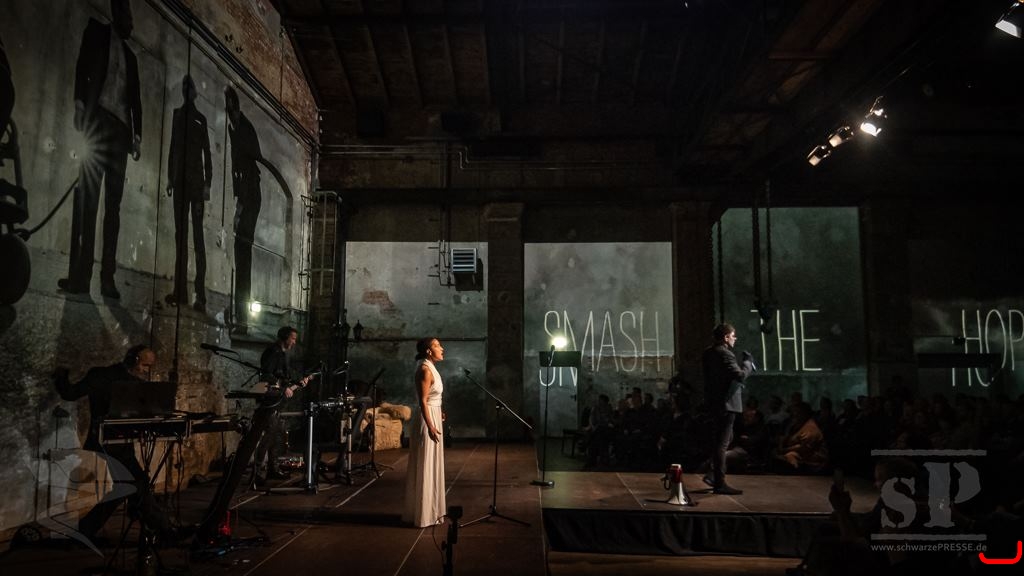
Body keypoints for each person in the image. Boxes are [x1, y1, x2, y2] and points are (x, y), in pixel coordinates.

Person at [53, 345, 178, 542]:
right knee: (136, 483)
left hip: (121, 443)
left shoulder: (134, 383)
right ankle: (165, 530)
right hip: (104, 441)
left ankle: (83, 532)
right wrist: (61, 375)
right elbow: (70, 393)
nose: (146, 370)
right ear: (134, 359)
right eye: (145, 365)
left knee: (126, 487)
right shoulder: (101, 375)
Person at [60, 0, 142, 299]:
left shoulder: (132, 58)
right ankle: (81, 277)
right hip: (98, 122)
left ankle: (108, 279)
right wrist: (79, 104)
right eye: (128, 16)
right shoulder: (96, 32)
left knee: (113, 208)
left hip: (121, 132)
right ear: (116, 11)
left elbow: (136, 101)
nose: (131, 24)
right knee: (88, 202)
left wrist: (137, 136)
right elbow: (82, 67)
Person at [165, 74, 212, 312]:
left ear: (194, 92)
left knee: (198, 239)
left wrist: (207, 184)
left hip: (196, 185)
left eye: (189, 86)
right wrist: (170, 177)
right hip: (181, 184)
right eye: (184, 86)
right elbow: (172, 148)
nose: (186, 89)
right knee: (180, 237)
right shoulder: (177, 115)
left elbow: (207, 154)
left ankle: (200, 296)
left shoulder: (201, 119)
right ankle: (180, 292)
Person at [224, 86, 263, 334]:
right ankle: (241, 317)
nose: (229, 115)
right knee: (241, 252)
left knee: (243, 251)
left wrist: (239, 206)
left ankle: (242, 318)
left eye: (231, 110)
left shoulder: (244, 130)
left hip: (249, 195)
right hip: (246, 194)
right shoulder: (236, 129)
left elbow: (249, 163)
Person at [701, 322, 753, 495]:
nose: (735, 338)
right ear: (725, 337)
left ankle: (713, 475)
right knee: (722, 444)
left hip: (715, 403)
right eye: (733, 335)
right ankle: (719, 482)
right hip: (726, 404)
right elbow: (740, 376)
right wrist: (748, 364)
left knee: (724, 440)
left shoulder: (708, 353)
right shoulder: (725, 353)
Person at [254, 326, 311, 481]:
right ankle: (258, 472)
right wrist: (284, 388)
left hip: (276, 400)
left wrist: (298, 382)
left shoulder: (282, 354)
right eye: (292, 338)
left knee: (275, 435)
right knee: (269, 435)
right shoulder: (273, 352)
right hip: (269, 400)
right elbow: (266, 374)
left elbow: (283, 376)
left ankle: (272, 469)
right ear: (284, 337)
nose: (294, 342)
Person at [403, 337, 446, 527]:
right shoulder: (424, 370)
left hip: (434, 415)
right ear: (428, 351)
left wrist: (439, 411)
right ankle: (423, 513)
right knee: (426, 463)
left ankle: (432, 510)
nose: (442, 349)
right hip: (426, 420)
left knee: (433, 462)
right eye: (437, 346)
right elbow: (422, 401)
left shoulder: (432, 368)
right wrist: (430, 426)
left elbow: (433, 398)